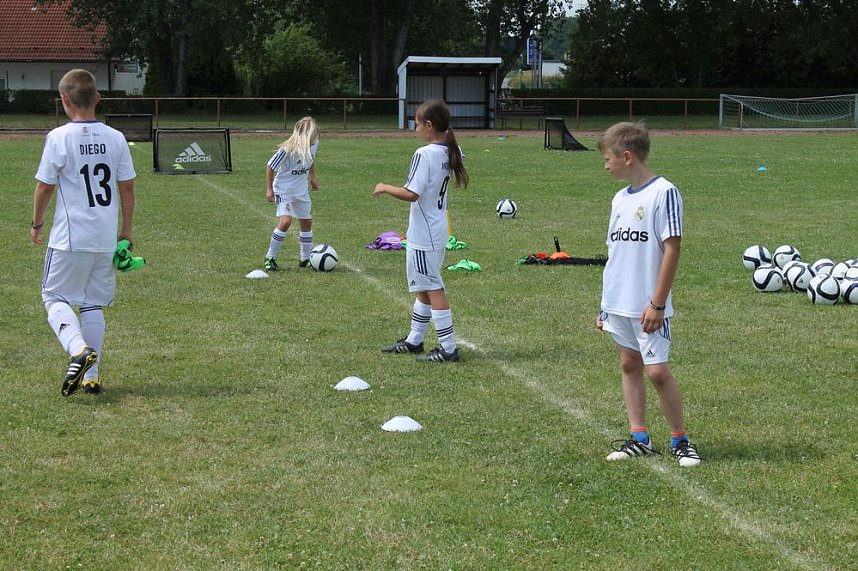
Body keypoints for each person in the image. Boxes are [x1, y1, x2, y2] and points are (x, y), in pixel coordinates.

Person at [595, 122, 701, 467]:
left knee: (657, 372)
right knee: (629, 364)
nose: (605, 165)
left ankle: (680, 439)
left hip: (648, 305)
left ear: (627, 157)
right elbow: (615, 252)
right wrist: (604, 306)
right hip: (618, 302)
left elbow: (672, 249)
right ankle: (639, 437)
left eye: (608, 159)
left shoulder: (664, 193)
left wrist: (657, 303)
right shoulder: (618, 198)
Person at [31, 69, 136, 396]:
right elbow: (127, 187)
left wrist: (36, 224)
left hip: (69, 238)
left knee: (54, 296)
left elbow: (45, 187)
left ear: (64, 100)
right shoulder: (116, 137)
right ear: (98, 98)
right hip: (104, 238)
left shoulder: (58, 137)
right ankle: (92, 374)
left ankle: (78, 350)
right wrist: (127, 230)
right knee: (92, 304)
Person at [372, 99, 468, 363]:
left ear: (429, 125)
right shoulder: (453, 150)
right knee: (424, 287)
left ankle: (448, 348)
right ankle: (415, 340)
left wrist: (384, 186)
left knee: (433, 287)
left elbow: (412, 193)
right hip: (437, 228)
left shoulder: (424, 154)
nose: (415, 130)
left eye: (417, 124)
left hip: (424, 233)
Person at [263, 117, 320, 271]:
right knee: (286, 222)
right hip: (283, 190)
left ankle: (305, 259)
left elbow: (310, 159)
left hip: (301, 191)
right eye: (314, 135)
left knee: (307, 223)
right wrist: (269, 189)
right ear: (306, 135)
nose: (316, 138)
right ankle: (270, 258)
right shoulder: (287, 149)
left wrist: (312, 177)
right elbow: (270, 166)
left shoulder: (314, 145)